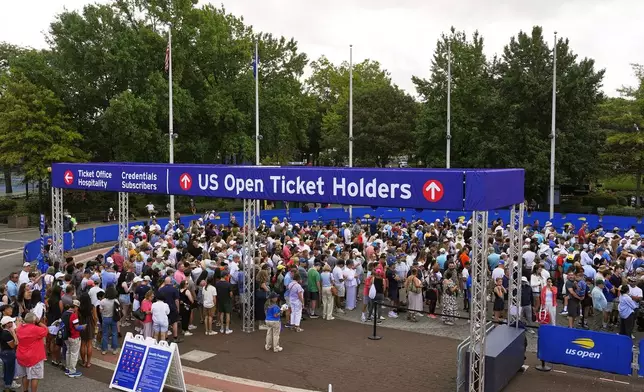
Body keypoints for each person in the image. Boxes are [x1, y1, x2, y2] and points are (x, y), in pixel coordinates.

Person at [16, 312, 48, 392]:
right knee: (35, 377)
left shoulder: (19, 328)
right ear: (34, 321)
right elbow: (46, 330)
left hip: (22, 355)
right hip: (34, 356)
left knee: (25, 375)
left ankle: (25, 390)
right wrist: (39, 322)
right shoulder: (35, 329)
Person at [65, 300, 87, 378]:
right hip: (74, 336)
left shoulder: (65, 313)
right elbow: (77, 327)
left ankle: (67, 368)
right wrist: (83, 326)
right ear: (75, 307)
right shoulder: (74, 315)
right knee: (74, 354)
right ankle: (72, 371)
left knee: (68, 352)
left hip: (66, 336)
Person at [0, 316, 20, 391]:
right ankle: (8, 384)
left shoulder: (3, 332)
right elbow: (13, 345)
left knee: (6, 369)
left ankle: (7, 382)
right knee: (10, 370)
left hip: (4, 352)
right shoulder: (6, 333)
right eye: (10, 322)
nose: (12, 323)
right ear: (6, 324)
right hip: (9, 353)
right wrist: (14, 336)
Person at [78, 293, 96, 369]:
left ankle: (83, 362)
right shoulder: (92, 307)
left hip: (82, 325)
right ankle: (88, 363)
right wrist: (95, 325)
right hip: (90, 326)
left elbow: (77, 317)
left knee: (83, 343)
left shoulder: (79, 308)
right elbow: (95, 317)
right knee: (89, 344)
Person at [99, 287, 120, 355]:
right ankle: (114, 349)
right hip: (113, 318)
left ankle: (104, 349)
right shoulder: (116, 301)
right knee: (114, 333)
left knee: (105, 334)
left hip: (105, 318)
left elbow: (100, 311)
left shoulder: (103, 301)